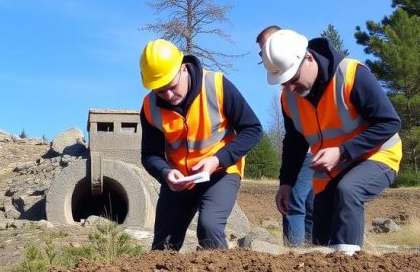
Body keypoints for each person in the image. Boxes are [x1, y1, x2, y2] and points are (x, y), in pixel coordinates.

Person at [260, 29, 402, 255]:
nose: (289, 88)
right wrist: (286, 183)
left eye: (293, 79)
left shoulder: (352, 74)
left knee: (348, 191)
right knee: (322, 240)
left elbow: (389, 122)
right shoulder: (289, 98)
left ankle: (349, 267)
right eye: (283, 82)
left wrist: (343, 151)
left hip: (377, 155)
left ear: (308, 59)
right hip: (333, 169)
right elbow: (294, 143)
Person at [139, 38, 263, 251]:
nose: (169, 96)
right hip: (179, 179)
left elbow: (252, 129)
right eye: (160, 91)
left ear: (183, 69)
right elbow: (150, 154)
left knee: (209, 227)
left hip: (221, 172)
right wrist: (166, 173)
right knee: (163, 246)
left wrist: (217, 160)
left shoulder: (217, 86)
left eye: (171, 86)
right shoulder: (150, 107)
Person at [257, 25, 313, 247]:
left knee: (295, 205)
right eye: (262, 53)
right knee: (309, 206)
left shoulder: (307, 79)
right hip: (309, 152)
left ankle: (295, 256)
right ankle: (312, 255)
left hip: (313, 153)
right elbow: (291, 138)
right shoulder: (285, 96)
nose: (265, 56)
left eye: (266, 49)